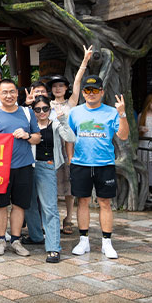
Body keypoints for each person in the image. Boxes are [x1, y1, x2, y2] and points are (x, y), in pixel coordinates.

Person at [68, 75, 129, 259]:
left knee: (105, 203)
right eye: (87, 90)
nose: (91, 93)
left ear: (102, 92)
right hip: (80, 164)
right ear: (83, 93)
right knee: (82, 201)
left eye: (95, 90)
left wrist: (122, 113)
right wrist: (70, 158)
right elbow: (69, 137)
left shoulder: (112, 112)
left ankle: (106, 243)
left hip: (104, 164)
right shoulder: (75, 112)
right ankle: (83, 240)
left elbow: (123, 136)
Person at [0, 79, 41, 257]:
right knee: (1, 204)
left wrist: (27, 136)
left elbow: (37, 137)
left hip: (24, 166)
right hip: (2, 168)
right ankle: (1, 239)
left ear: (17, 93)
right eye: (4, 92)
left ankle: (16, 240)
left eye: (12, 92)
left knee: (19, 205)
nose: (8, 95)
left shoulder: (27, 112)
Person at [23, 96, 76, 263]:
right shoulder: (28, 124)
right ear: (33, 110)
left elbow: (70, 138)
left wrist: (62, 119)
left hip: (47, 166)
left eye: (45, 108)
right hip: (28, 165)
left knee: (49, 207)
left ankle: (53, 248)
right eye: (37, 109)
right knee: (29, 204)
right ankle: (36, 236)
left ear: (50, 109)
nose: (41, 112)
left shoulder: (55, 123)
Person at [50, 45, 92, 235]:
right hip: (51, 147)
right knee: (51, 185)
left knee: (69, 186)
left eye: (61, 85)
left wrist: (85, 61)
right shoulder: (45, 105)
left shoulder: (71, 103)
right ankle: (52, 218)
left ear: (66, 88)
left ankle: (68, 218)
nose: (58, 88)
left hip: (69, 147)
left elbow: (78, 82)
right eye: (55, 86)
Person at [138, 94, 152, 190]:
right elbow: (136, 130)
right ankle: (145, 187)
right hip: (144, 144)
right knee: (145, 164)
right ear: (148, 103)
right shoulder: (142, 116)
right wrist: (140, 128)